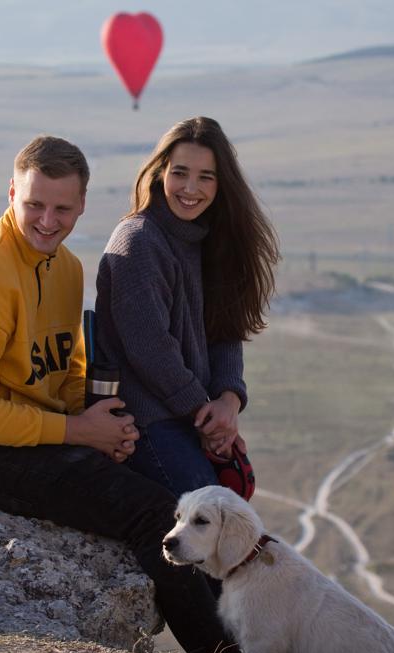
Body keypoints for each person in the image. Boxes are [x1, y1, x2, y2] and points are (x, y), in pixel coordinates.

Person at [0, 135, 243, 653]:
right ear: (11, 191)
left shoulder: (64, 267)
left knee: (158, 492)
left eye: (62, 208)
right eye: (34, 204)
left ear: (83, 204)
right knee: (156, 516)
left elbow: (64, 370)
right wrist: (76, 433)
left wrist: (99, 425)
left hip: (38, 437)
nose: (47, 220)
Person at [94, 117, 280, 497]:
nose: (191, 189)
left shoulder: (209, 240)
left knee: (228, 512)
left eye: (206, 177)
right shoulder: (139, 242)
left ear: (222, 183)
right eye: (180, 173)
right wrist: (206, 416)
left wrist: (228, 400)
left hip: (186, 415)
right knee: (207, 520)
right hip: (143, 421)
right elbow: (149, 348)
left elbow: (226, 328)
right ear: (160, 172)